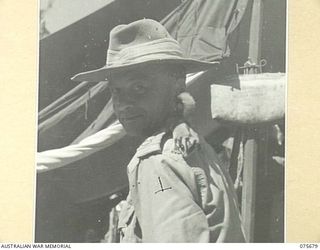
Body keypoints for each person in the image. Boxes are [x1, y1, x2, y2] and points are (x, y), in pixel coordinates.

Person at [72, 19, 246, 243]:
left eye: (139, 87)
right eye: (116, 91)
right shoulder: (192, 147)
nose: (123, 104)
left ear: (178, 84)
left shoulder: (158, 161)